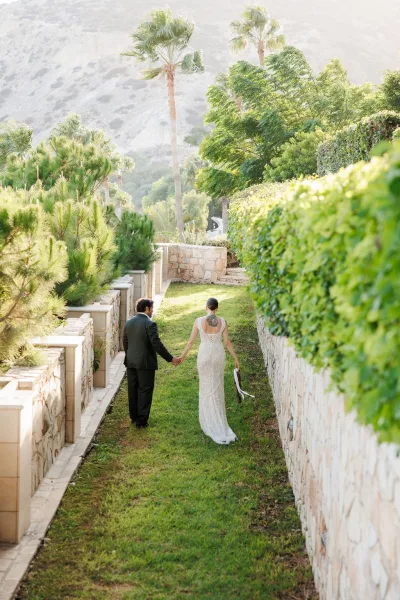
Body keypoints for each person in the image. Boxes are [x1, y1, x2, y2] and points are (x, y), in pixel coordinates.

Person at [179, 297, 239, 444]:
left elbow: (190, 342)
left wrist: (182, 357)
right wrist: (236, 358)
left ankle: (209, 420)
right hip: (218, 355)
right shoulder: (223, 322)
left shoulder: (199, 321)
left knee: (206, 386)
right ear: (217, 309)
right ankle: (218, 419)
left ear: (206, 307)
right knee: (217, 387)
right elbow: (227, 342)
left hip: (205, 355)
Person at [123, 298, 181, 429]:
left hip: (131, 361)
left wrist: (130, 355)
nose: (152, 311)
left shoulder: (128, 322)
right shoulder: (150, 324)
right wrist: (171, 359)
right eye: (151, 308)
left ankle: (134, 417)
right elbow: (157, 345)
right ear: (146, 309)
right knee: (145, 390)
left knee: (132, 390)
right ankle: (141, 421)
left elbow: (125, 342)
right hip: (145, 363)